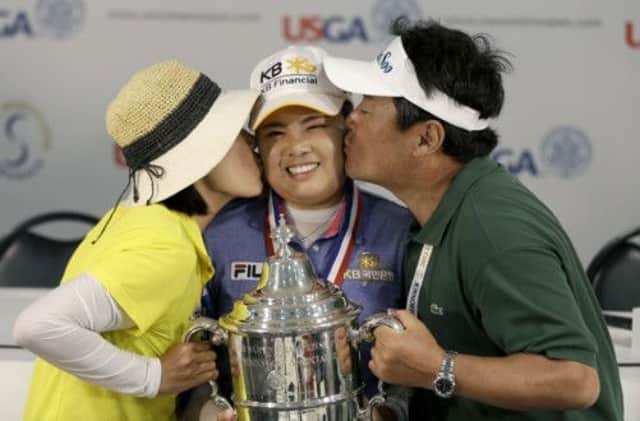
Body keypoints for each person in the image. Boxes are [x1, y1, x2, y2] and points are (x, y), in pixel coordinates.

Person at [322, 18, 624, 420]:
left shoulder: (493, 228)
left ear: (426, 139)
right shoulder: (439, 211)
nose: (350, 119)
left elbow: (575, 379)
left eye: (368, 107)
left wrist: (436, 368)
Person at [13, 60, 263, 421]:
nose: (252, 143)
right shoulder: (167, 247)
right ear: (203, 157)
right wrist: (154, 377)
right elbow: (37, 326)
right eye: (235, 133)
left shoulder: (143, 222)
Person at [189, 45, 413, 420]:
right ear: (256, 147)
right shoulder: (220, 235)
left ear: (347, 127)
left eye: (314, 125)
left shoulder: (400, 230)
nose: (296, 148)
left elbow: (424, 368)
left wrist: (385, 415)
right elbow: (194, 361)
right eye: (275, 134)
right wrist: (206, 411)